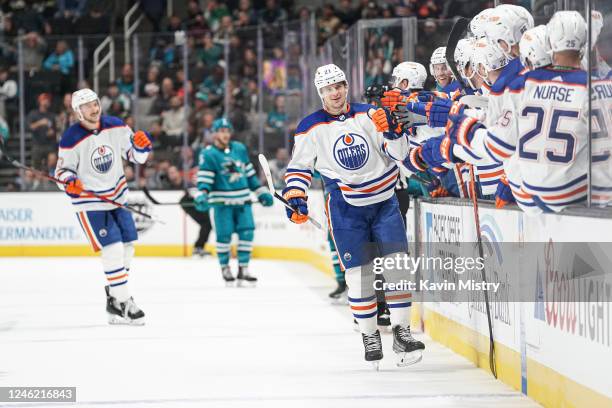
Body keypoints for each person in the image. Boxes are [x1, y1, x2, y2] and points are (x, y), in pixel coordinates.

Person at [282, 63, 424, 368]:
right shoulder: (310, 126)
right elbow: (299, 167)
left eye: (340, 86)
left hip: (385, 202)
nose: (336, 92)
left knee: (398, 267)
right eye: (329, 88)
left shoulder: (370, 114)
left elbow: (399, 155)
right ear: (321, 92)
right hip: (346, 208)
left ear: (347, 86)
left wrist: (394, 130)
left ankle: (402, 331)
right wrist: (296, 195)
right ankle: (369, 334)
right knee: (359, 275)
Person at [54, 88, 152, 325]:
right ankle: (124, 302)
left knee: (128, 248)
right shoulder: (71, 138)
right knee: (113, 251)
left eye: (95, 103)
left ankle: (114, 302)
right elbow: (61, 172)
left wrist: (141, 149)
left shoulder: (115, 125)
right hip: (90, 203)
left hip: (117, 197)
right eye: (87, 106)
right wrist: (70, 182)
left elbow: (136, 157)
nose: (93, 108)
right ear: (78, 111)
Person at [194, 118, 273, 285]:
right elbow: (205, 180)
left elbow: (250, 175)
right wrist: (202, 194)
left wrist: (260, 192)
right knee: (224, 236)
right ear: (215, 133)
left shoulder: (239, 148)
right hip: (222, 205)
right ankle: (225, 267)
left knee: (247, 232)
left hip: (243, 202)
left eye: (227, 131)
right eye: (222, 131)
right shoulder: (208, 154)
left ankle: (243, 268)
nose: (225, 134)